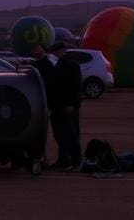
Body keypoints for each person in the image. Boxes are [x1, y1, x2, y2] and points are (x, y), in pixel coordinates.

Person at [49, 42, 83, 170]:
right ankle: (63, 160)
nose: (56, 54)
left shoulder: (72, 65)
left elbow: (76, 86)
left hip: (68, 106)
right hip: (58, 105)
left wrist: (73, 104)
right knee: (60, 134)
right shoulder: (60, 64)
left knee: (72, 134)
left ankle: (76, 161)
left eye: (57, 51)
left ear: (63, 50)